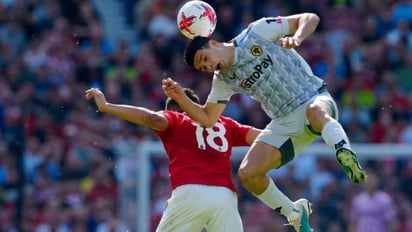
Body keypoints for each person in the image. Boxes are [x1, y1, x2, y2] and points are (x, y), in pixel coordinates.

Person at [162, 12, 367, 232]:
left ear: (213, 43)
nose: (209, 66)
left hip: (313, 96)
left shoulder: (257, 32)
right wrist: (180, 98)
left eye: (205, 59)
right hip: (284, 122)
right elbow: (208, 118)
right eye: (204, 68)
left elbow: (311, 18)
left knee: (316, 112)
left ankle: (344, 153)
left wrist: (297, 38)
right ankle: (295, 213)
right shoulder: (223, 79)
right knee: (248, 174)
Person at [84, 87, 261, 232]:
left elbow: (152, 118)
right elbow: (262, 138)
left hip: (191, 192)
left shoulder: (176, 118)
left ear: (174, 109)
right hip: (225, 197)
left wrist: (107, 106)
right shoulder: (225, 123)